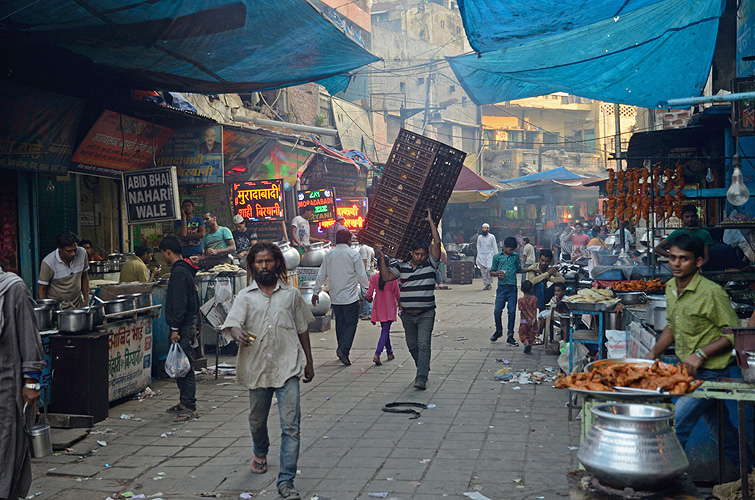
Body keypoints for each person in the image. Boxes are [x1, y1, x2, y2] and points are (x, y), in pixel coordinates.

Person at [645, 233, 751, 470]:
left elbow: (733, 333)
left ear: (698, 262)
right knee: (725, 435)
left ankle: (668, 485)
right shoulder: (671, 286)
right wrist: (653, 353)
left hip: (709, 375)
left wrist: (701, 353)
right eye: (672, 258)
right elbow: (672, 325)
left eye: (683, 259)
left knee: (673, 426)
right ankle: (751, 473)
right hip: (688, 372)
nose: (676, 264)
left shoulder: (712, 293)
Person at [221, 242, 314, 500]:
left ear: (277, 264)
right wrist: (237, 333)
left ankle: (286, 481)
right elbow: (233, 324)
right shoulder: (245, 296)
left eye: (268, 261)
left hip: (288, 366)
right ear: (253, 265)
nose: (264, 266)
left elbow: (302, 328)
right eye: (259, 262)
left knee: (291, 427)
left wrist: (309, 361)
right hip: (258, 368)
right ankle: (260, 450)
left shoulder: (291, 295)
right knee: (256, 420)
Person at [375, 209, 441, 390]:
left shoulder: (431, 264)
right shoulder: (401, 266)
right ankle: (423, 367)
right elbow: (387, 277)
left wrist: (430, 222)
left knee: (423, 344)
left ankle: (421, 378)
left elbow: (437, 242)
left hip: (426, 313)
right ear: (411, 253)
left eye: (423, 254)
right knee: (412, 345)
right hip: (407, 315)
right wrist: (381, 257)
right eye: (416, 254)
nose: (420, 257)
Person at [0, 267, 46, 500]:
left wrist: (31, 382)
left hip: (8, 386)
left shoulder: (13, 289)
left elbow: (30, 336)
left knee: (7, 446)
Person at [313, 229, 369, 366]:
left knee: (340, 323)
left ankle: (341, 349)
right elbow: (362, 275)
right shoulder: (353, 254)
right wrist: (367, 290)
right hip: (350, 297)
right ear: (349, 240)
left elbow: (321, 274)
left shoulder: (329, 255)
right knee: (351, 324)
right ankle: (344, 349)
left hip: (335, 297)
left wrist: (316, 292)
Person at [159, 236, 199, 423]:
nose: (163, 257)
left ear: (168, 251)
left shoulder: (179, 273)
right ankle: (184, 402)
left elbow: (179, 303)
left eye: (163, 253)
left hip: (182, 326)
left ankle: (190, 405)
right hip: (185, 324)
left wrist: (175, 329)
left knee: (185, 366)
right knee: (179, 364)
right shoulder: (184, 270)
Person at [38, 231, 89, 308]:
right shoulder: (48, 263)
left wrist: (86, 299)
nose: (73, 254)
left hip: (77, 305)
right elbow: (41, 290)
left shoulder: (82, 253)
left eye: (74, 250)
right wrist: (46, 310)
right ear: (59, 248)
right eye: (68, 251)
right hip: (58, 309)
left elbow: (84, 276)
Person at [365, 257, 400, 366]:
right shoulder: (392, 279)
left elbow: (369, 294)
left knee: (385, 330)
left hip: (379, 306)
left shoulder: (373, 278)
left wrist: (368, 299)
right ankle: (377, 354)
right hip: (389, 306)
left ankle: (390, 353)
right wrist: (401, 305)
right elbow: (397, 294)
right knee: (385, 330)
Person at [490, 236, 521, 346]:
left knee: (511, 312)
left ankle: (510, 335)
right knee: (497, 311)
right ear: (504, 247)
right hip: (502, 287)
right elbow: (492, 271)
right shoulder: (497, 257)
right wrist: (498, 273)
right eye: (510, 249)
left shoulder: (515, 257)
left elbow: (518, 269)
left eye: (513, 250)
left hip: (512, 287)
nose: (512, 252)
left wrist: (531, 269)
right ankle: (498, 330)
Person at [518, 280, 539, 354]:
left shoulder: (520, 300)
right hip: (533, 321)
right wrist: (534, 318)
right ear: (531, 289)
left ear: (521, 289)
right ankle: (529, 346)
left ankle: (526, 343)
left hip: (524, 321)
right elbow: (535, 309)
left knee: (523, 334)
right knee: (532, 334)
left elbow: (522, 310)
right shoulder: (534, 299)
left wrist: (528, 318)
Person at [476, 223, 497, 290]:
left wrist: (496, 256)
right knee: (483, 271)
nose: (483, 229)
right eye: (483, 228)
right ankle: (486, 285)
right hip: (481, 255)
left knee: (489, 268)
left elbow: (494, 246)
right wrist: (478, 254)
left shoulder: (492, 237)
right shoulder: (479, 237)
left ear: (488, 229)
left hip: (489, 255)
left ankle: (489, 283)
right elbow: (478, 246)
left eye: (485, 228)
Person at [359, 242, 375, 320]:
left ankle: (370, 312)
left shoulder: (363, 248)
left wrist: (363, 273)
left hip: (365, 271)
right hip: (367, 270)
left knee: (365, 292)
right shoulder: (368, 247)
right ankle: (365, 312)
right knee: (364, 292)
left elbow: (364, 261)